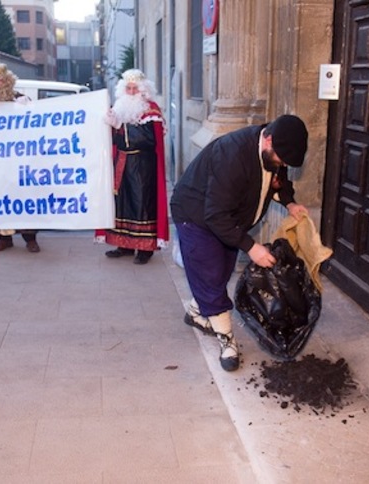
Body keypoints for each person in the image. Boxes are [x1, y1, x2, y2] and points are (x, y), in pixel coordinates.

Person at [170, 114, 310, 371]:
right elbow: (215, 215)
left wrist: (289, 202)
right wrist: (251, 247)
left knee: (221, 271)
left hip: (228, 219)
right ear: (268, 140)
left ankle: (196, 312)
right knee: (211, 273)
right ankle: (227, 341)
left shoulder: (276, 148)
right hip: (196, 214)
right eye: (280, 158)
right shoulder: (232, 155)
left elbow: (279, 182)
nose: (281, 164)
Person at [97, 69, 169, 264]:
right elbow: (112, 138)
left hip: (142, 167)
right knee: (122, 205)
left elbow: (147, 139)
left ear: (143, 90)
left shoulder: (150, 110)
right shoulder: (119, 108)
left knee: (141, 205)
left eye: (134, 88)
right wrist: (110, 126)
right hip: (121, 163)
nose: (130, 92)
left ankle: (145, 249)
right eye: (127, 88)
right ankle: (124, 244)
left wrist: (121, 126)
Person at [0, 62, 40, 253]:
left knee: (23, 196)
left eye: (0, 79)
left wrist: (26, 107)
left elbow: (37, 122)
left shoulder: (20, 99)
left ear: (7, 81)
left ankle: (30, 238)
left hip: (18, 160)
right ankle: (3, 238)